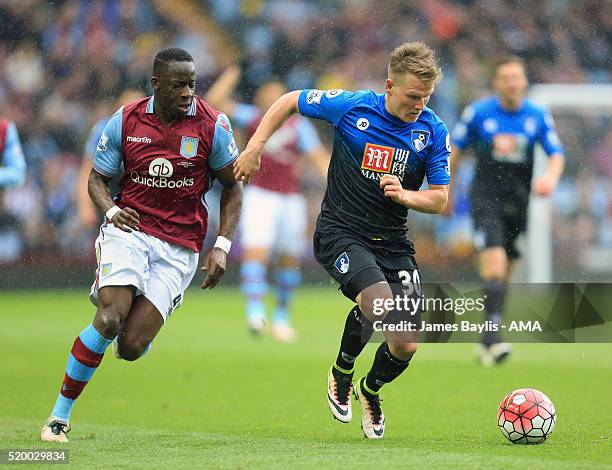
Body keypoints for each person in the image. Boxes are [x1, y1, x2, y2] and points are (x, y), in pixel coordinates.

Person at [234, 42, 451, 439]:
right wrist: (255, 147)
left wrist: (406, 196)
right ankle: (342, 372)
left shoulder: (432, 130)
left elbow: (439, 198)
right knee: (378, 301)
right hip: (341, 232)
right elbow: (289, 100)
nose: (420, 104)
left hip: (393, 242)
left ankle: (370, 389)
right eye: (413, 96)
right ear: (389, 86)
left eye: (426, 97)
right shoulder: (353, 107)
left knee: (406, 344)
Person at [41, 48, 243, 442]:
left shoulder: (212, 125)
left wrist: (222, 244)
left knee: (131, 346)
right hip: (129, 230)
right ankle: (58, 417)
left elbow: (232, 186)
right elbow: (97, 180)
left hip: (181, 245)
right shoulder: (125, 121)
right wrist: (112, 211)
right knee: (111, 317)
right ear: (156, 85)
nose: (187, 93)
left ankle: (128, 317)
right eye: (178, 85)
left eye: (192, 84)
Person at [451, 56, 565, 366]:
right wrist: (444, 190)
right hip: (485, 198)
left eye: (517, 77)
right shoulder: (478, 113)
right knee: (495, 261)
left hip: (519, 202)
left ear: (524, 82)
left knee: (506, 271)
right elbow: (455, 150)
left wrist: (550, 180)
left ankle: (488, 336)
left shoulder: (537, 115)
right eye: (506, 78)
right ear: (496, 83)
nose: (512, 83)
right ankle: (494, 339)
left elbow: (556, 154)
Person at [206, 65, 329, 342]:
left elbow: (319, 158)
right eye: (269, 95)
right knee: (256, 253)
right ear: (261, 99)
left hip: (291, 199)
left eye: (278, 95)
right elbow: (215, 102)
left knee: (289, 260)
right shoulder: (252, 118)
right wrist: (235, 71)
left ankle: (282, 317)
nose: (274, 100)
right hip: (260, 196)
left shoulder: (301, 127)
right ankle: (255, 312)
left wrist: (335, 186)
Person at [76, 89, 145, 229]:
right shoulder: (105, 128)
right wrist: (85, 205)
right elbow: (88, 169)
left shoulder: (152, 133)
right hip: (107, 194)